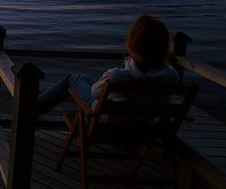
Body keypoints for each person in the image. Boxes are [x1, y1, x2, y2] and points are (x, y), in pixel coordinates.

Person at [37, 14, 180, 115]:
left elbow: (94, 92)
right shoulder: (171, 76)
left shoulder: (117, 76)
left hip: (108, 121)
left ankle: (32, 108)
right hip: (144, 127)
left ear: (133, 44)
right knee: (83, 78)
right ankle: (38, 99)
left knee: (72, 79)